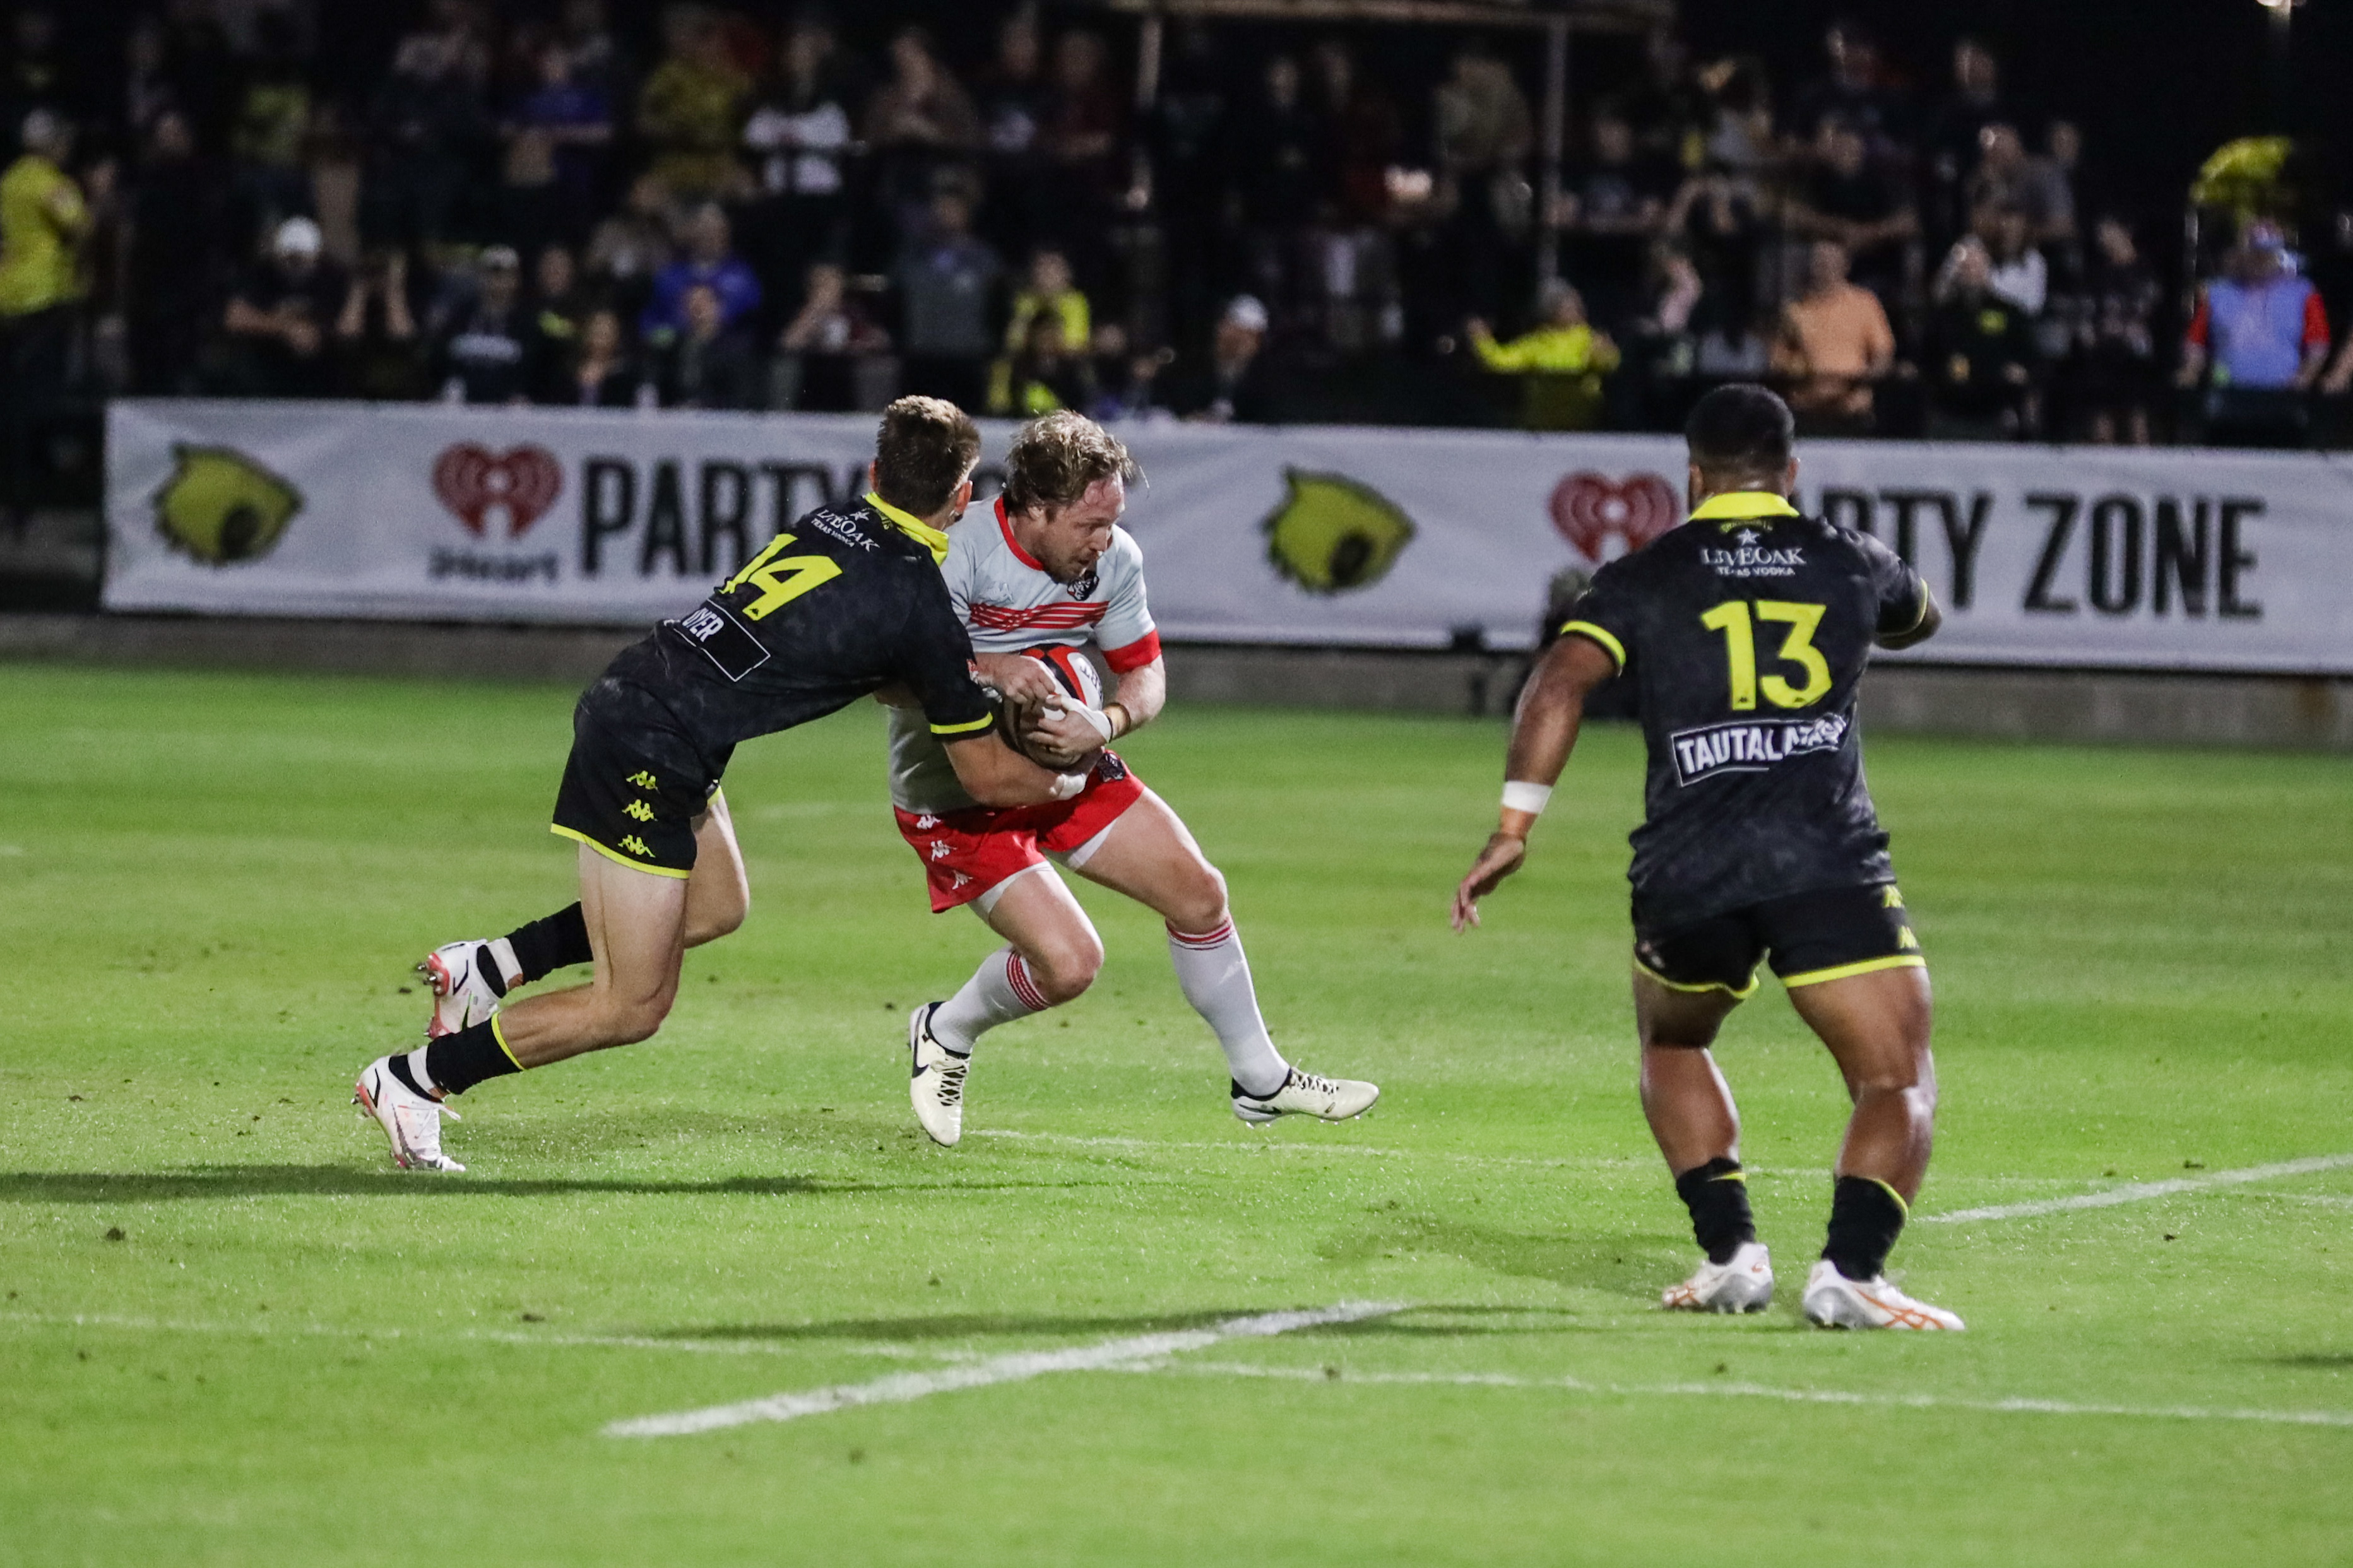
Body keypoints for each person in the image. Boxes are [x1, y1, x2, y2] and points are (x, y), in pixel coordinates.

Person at [360, 398, 1072, 1172]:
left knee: (716, 903)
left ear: (874, 475)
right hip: (650, 745)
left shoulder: (830, 521)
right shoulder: (916, 600)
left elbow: (870, 668)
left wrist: (978, 673)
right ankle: (413, 1081)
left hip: (655, 706)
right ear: (962, 498)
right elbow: (981, 774)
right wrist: (1074, 766)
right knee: (631, 1005)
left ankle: (490, 965)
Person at [1452, 382, 1959, 1332]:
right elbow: (1916, 617)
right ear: (1791, 473)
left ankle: (1732, 1255)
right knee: (1894, 1073)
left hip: (1689, 866)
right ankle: (1851, 1270)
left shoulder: (1647, 573)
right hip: (1823, 855)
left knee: (1676, 1040)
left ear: (1693, 476)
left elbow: (1559, 680)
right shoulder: (1848, 557)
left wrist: (1513, 829)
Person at [888, 411, 1378, 1145]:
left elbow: (1145, 673)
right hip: (959, 789)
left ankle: (1259, 1079)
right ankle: (946, 1029)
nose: (1103, 540)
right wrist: (993, 670)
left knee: (1199, 892)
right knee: (1070, 964)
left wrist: (1106, 724)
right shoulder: (958, 553)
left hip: (1066, 760)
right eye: (1088, 524)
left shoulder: (1114, 559)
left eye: (1112, 520)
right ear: (1036, 508)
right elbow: (887, 679)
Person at [0, 109, 90, 413]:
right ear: (53, 145)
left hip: (9, 290)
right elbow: (79, 225)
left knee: (13, 384)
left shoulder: (10, 179)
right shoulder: (51, 182)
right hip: (46, 291)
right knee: (44, 385)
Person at [1772, 239, 1895, 433]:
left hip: (1852, 413)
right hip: (1807, 413)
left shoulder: (1865, 304)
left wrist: (1855, 384)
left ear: (1845, 265)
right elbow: (1778, 362)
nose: (1824, 267)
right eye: (1819, 261)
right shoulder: (1794, 310)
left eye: (1831, 261)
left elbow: (1883, 356)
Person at [1465, 279, 1621, 432]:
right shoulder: (1536, 343)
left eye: (1577, 304)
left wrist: (1604, 353)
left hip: (1582, 428)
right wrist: (1481, 338)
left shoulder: (1590, 340)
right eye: (1570, 304)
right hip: (1541, 431)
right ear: (1551, 309)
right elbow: (1499, 362)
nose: (1579, 308)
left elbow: (1611, 364)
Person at [218, 216, 345, 398]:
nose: (295, 266)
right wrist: (286, 329)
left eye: (301, 259)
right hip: (268, 377)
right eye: (290, 259)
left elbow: (348, 326)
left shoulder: (333, 276)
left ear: (317, 255)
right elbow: (234, 317)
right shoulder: (263, 274)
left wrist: (317, 333)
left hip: (324, 379)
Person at [653, 280, 761, 410]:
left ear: (718, 306)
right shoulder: (673, 346)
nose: (697, 308)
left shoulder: (736, 347)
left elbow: (743, 395)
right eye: (691, 302)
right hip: (676, 417)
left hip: (718, 420)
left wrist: (702, 406)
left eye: (703, 302)